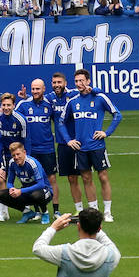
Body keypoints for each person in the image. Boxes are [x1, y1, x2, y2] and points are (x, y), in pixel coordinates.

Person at [56, 68, 121, 221]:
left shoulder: (99, 98)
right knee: (86, 178)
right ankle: (94, 211)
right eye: (77, 81)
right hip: (81, 148)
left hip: (97, 146)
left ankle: (107, 212)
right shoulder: (72, 102)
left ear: (88, 81)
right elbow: (60, 122)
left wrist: (106, 132)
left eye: (82, 81)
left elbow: (117, 114)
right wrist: (68, 140)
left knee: (103, 177)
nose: (79, 84)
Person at [32, 209, 119, 277]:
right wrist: (94, 226)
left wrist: (53, 227)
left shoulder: (65, 253)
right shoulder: (110, 255)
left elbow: (38, 248)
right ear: (100, 228)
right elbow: (109, 244)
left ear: (78, 226)